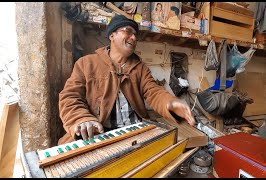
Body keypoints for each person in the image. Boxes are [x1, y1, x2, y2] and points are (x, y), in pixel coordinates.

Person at [58, 15, 195, 145]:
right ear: (112, 35)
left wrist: (170, 103)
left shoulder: (140, 68)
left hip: (136, 133)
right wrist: (82, 119)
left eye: (136, 34)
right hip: (99, 135)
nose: (134, 37)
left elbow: (153, 92)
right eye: (128, 31)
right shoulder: (86, 63)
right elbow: (70, 97)